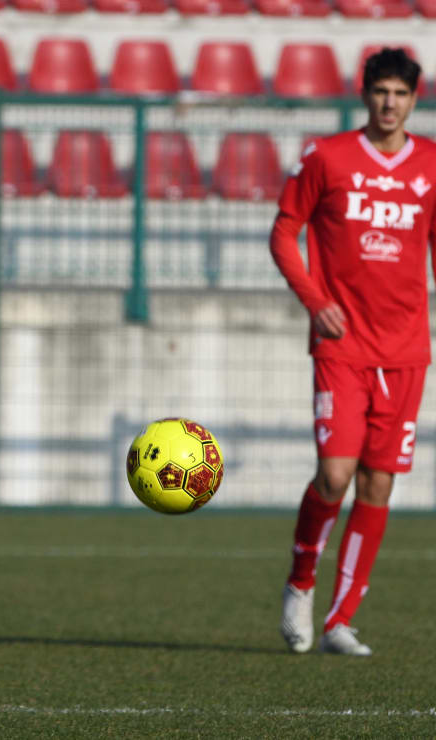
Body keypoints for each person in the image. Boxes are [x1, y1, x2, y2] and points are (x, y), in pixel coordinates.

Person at [272, 48, 436, 657]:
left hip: (405, 353)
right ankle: (300, 581)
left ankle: (342, 620)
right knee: (335, 474)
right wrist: (315, 300)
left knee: (377, 484)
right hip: (342, 346)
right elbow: (285, 230)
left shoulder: (431, 165)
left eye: (400, 93)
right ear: (364, 95)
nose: (389, 103)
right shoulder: (328, 157)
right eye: (380, 91)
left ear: (415, 100)